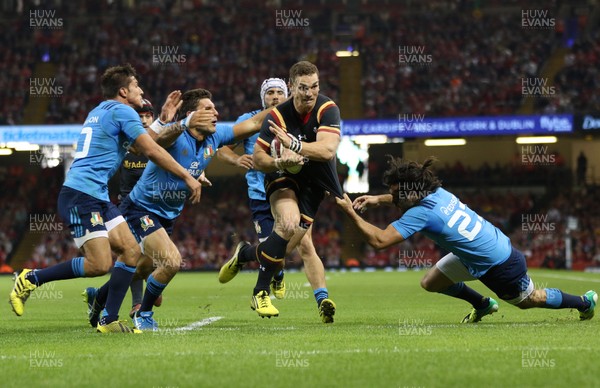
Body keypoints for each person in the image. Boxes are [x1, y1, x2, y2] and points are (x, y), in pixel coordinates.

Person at [9, 64, 209, 333]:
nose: (141, 90)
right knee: (98, 265)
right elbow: (149, 150)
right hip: (81, 195)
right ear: (124, 91)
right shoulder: (123, 111)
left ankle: (108, 319)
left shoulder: (101, 110)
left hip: (98, 196)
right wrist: (187, 176)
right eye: (137, 86)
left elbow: (138, 146)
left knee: (131, 251)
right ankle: (31, 278)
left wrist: (162, 121)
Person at [85, 88, 273, 331]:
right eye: (208, 109)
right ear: (193, 115)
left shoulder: (215, 137)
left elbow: (257, 122)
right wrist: (182, 123)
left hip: (167, 216)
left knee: (141, 269)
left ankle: (98, 297)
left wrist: (292, 104)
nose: (216, 112)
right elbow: (154, 143)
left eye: (215, 108)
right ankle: (144, 314)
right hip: (139, 209)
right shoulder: (175, 135)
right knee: (172, 262)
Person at [335, 156, 597, 322]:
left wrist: (349, 211)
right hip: (477, 251)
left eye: (394, 193)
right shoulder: (438, 192)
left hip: (499, 264)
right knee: (431, 282)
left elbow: (379, 241)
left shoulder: (420, 214)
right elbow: (402, 198)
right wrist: (377, 199)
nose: (394, 197)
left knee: (530, 302)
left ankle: (585, 303)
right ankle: (482, 304)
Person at [219, 61, 342, 322]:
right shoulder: (273, 117)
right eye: (303, 87)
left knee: (284, 251)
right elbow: (256, 157)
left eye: (315, 86)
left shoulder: (327, 108)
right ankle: (261, 292)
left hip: (313, 184)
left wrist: (294, 145)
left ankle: (245, 254)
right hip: (280, 177)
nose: (310, 93)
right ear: (293, 87)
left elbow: (327, 150)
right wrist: (279, 162)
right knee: (287, 225)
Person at [82, 94, 181, 321]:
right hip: (131, 208)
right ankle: (138, 305)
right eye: (140, 116)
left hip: (156, 209)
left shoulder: (160, 143)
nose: (145, 120)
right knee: (133, 255)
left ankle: (98, 296)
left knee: (142, 267)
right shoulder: (129, 143)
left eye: (148, 116)